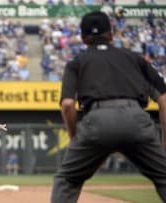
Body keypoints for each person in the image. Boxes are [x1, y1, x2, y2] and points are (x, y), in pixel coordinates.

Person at [51, 11, 166, 203]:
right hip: (136, 119)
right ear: (111, 34)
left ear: (83, 38)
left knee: (67, 180)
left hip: (97, 122)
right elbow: (163, 99)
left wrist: (74, 137)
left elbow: (68, 105)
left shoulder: (77, 62)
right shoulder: (135, 59)